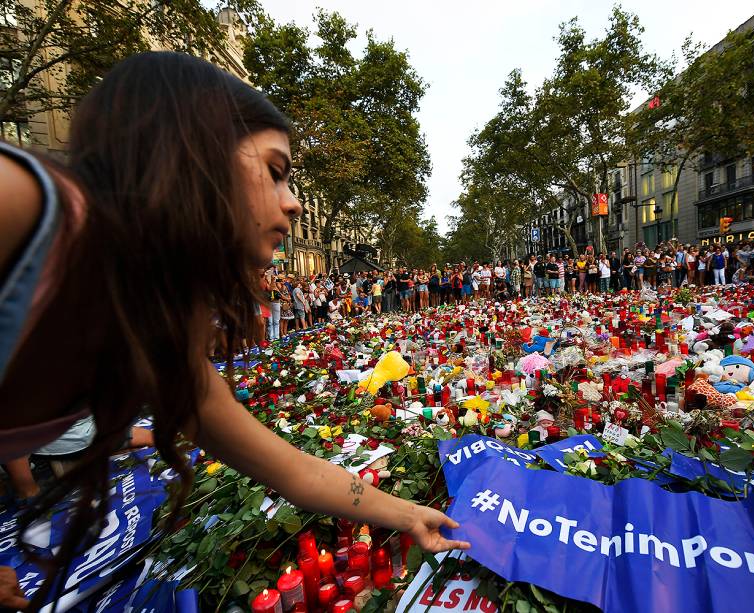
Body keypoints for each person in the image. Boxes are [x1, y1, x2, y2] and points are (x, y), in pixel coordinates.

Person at [1, 52, 466, 610]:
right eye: (274, 171)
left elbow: (293, 470)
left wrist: (409, 514)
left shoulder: (156, 333)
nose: (293, 203)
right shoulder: (24, 208)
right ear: (189, 157)